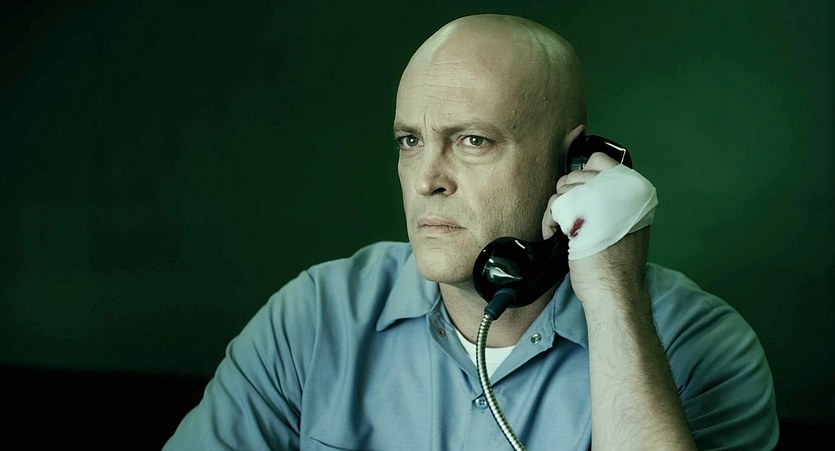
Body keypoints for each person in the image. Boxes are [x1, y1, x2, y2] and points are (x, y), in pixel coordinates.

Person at [164, 14, 778, 450]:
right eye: (410, 141)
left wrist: (615, 297)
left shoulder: (705, 348)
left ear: (570, 162)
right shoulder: (315, 318)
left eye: (472, 140)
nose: (426, 179)